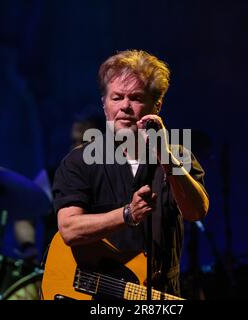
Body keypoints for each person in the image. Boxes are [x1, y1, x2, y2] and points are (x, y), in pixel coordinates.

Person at [52, 50, 209, 297]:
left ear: (156, 105)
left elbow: (196, 211)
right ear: (104, 105)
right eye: (117, 97)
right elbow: (70, 229)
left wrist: (166, 158)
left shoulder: (178, 155)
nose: (125, 106)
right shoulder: (79, 161)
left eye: (135, 98)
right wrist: (127, 214)